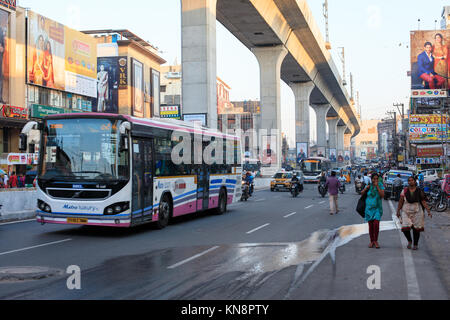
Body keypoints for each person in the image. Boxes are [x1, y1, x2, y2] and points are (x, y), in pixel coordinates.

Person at [396, 176, 432, 250]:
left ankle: (415, 244)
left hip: (417, 210)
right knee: (405, 227)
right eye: (409, 180)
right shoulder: (404, 191)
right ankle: (409, 241)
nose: (410, 182)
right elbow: (401, 201)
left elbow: (423, 201)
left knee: (416, 228)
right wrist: (398, 211)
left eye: (412, 180)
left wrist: (428, 211)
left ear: (415, 181)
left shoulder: (419, 191)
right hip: (406, 210)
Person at [361, 172, 384, 249]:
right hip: (368, 209)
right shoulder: (369, 186)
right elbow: (361, 193)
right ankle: (372, 241)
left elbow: (382, 195)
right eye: (374, 179)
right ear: (371, 179)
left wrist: (377, 186)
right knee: (370, 226)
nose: (375, 180)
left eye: (377, 179)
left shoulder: (380, 185)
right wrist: (365, 189)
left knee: (376, 224)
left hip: (377, 208)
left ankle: (376, 241)